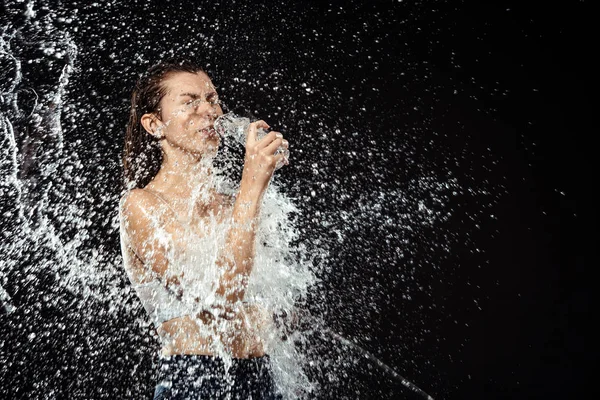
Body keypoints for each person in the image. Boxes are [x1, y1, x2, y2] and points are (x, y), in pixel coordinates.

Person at [119, 58, 289, 399]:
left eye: (211, 99)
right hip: (196, 378)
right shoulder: (142, 205)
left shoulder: (231, 205)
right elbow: (219, 298)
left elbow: (256, 299)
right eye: (189, 102)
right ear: (155, 125)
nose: (208, 111)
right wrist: (252, 185)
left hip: (261, 379)